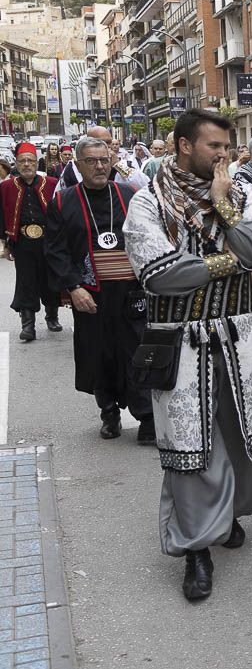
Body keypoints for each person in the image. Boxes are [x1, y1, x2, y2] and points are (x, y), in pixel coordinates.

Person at [123, 108, 252, 601]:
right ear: (183, 146)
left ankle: (229, 516)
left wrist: (226, 209)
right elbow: (159, 273)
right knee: (191, 448)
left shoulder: (239, 195)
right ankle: (196, 548)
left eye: (227, 146)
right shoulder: (149, 203)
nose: (223, 155)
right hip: (181, 340)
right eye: (214, 146)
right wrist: (229, 260)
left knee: (242, 435)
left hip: (241, 337)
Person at [44, 136, 154, 442]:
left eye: (104, 160)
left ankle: (147, 417)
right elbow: (55, 251)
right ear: (78, 165)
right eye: (91, 161)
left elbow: (148, 237)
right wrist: (74, 287)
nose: (100, 166)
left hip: (132, 291)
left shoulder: (130, 194)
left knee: (139, 352)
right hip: (91, 293)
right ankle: (109, 411)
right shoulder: (63, 201)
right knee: (99, 353)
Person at [1, 142, 61, 341]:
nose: (27, 165)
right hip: (23, 242)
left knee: (49, 280)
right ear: (16, 164)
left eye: (30, 161)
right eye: (22, 161)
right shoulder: (6, 187)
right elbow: (1, 216)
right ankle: (28, 325)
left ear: (37, 163)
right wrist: (6, 243)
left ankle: (52, 316)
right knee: (26, 282)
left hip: (49, 241)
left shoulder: (51, 183)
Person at [57, 126, 150, 193]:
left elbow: (146, 186)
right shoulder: (73, 168)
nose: (107, 146)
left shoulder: (124, 163)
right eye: (101, 142)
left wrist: (118, 165)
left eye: (109, 142)